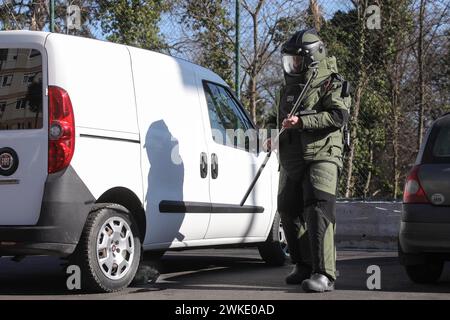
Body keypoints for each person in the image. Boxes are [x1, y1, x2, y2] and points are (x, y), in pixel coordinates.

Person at [265, 29, 351, 293]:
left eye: (297, 60)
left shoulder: (332, 83)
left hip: (322, 154)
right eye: (289, 61)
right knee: (288, 209)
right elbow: (274, 119)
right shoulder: (286, 89)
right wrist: (272, 136)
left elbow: (338, 116)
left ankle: (324, 273)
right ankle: (302, 264)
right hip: (291, 157)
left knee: (318, 210)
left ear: (312, 58)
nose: (292, 66)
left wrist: (303, 122)